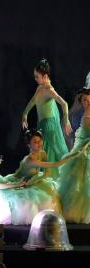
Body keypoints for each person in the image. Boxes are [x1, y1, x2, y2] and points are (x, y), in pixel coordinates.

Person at [0, 130, 64, 225]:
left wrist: (38, 179)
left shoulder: (43, 153)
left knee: (50, 195)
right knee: (30, 201)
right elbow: (54, 164)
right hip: (20, 181)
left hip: (33, 180)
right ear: (29, 145)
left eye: (40, 141)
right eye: (35, 142)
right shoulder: (29, 159)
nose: (39, 144)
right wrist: (70, 157)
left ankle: (48, 220)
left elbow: (47, 172)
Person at [22, 59, 72, 183]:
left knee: (52, 151)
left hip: (50, 126)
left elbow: (64, 104)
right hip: (42, 124)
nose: (35, 79)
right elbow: (33, 101)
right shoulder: (40, 88)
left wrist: (66, 120)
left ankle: (57, 179)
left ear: (45, 76)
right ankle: (47, 179)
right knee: (43, 152)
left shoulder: (49, 90)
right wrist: (25, 114)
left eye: (37, 76)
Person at [58, 88, 90, 223]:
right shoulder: (86, 117)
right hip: (84, 149)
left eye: (89, 100)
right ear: (81, 102)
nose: (88, 102)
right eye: (85, 100)